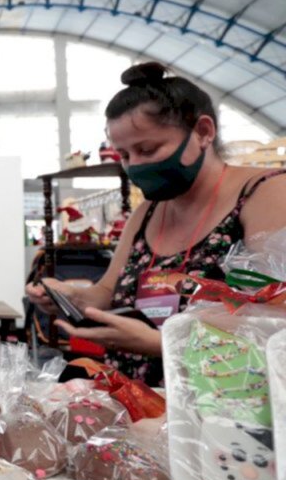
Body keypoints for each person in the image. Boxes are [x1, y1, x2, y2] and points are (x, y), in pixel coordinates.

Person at [27, 62, 286, 385]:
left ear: (203, 132)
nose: (135, 165)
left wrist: (158, 344)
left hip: (217, 412)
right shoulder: (147, 212)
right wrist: (71, 299)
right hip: (134, 407)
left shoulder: (266, 194)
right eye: (123, 155)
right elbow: (107, 291)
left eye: (147, 149)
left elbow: (274, 323)